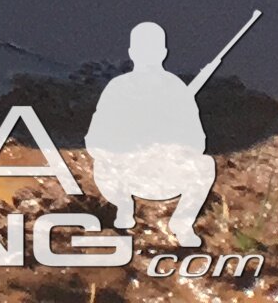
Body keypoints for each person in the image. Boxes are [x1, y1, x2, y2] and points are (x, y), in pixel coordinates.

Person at [86, 21, 217, 247]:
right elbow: (95, 142)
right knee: (101, 162)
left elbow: (197, 143)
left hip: (165, 174)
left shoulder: (176, 89)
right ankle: (123, 206)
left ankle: (182, 222)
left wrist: (168, 146)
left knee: (204, 164)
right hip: (125, 175)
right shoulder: (118, 88)